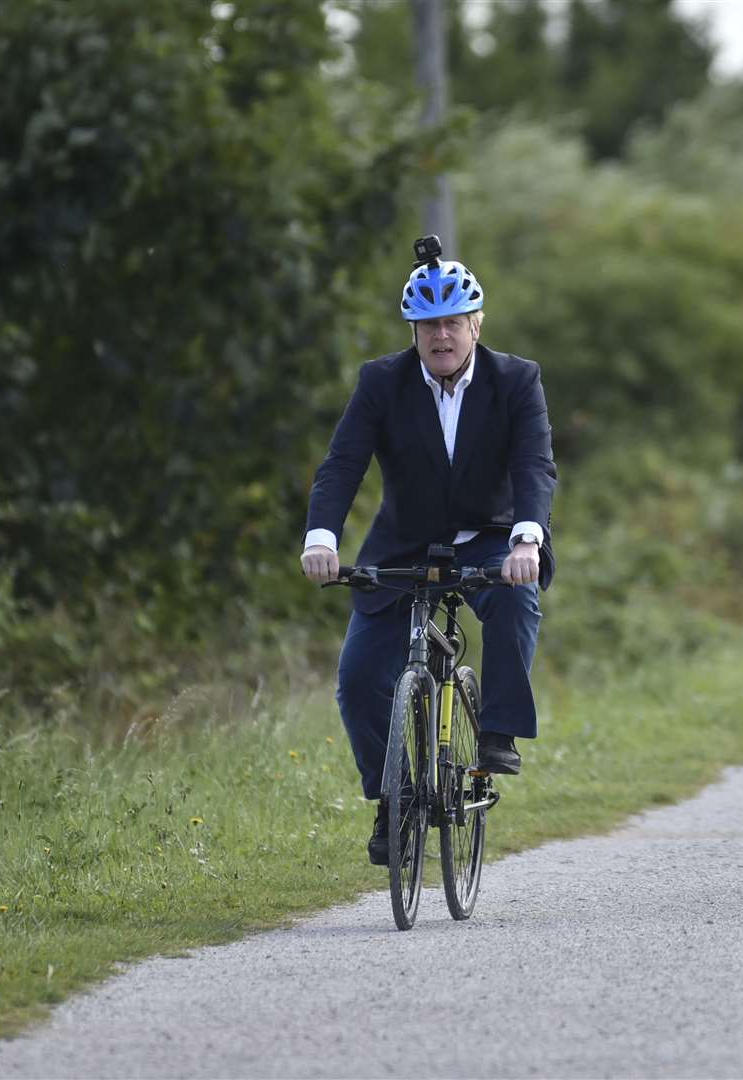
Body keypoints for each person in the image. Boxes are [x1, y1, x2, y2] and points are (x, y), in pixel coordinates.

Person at [300, 241, 556, 866]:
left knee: (516, 601)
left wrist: (527, 535)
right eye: (428, 325)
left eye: (452, 322)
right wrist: (321, 537)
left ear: (475, 325)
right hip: (404, 542)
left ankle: (495, 732)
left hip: (494, 535)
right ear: (413, 330)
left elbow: (534, 465)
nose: (441, 335)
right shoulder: (381, 383)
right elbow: (342, 466)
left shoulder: (516, 380)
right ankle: (396, 800)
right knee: (360, 677)